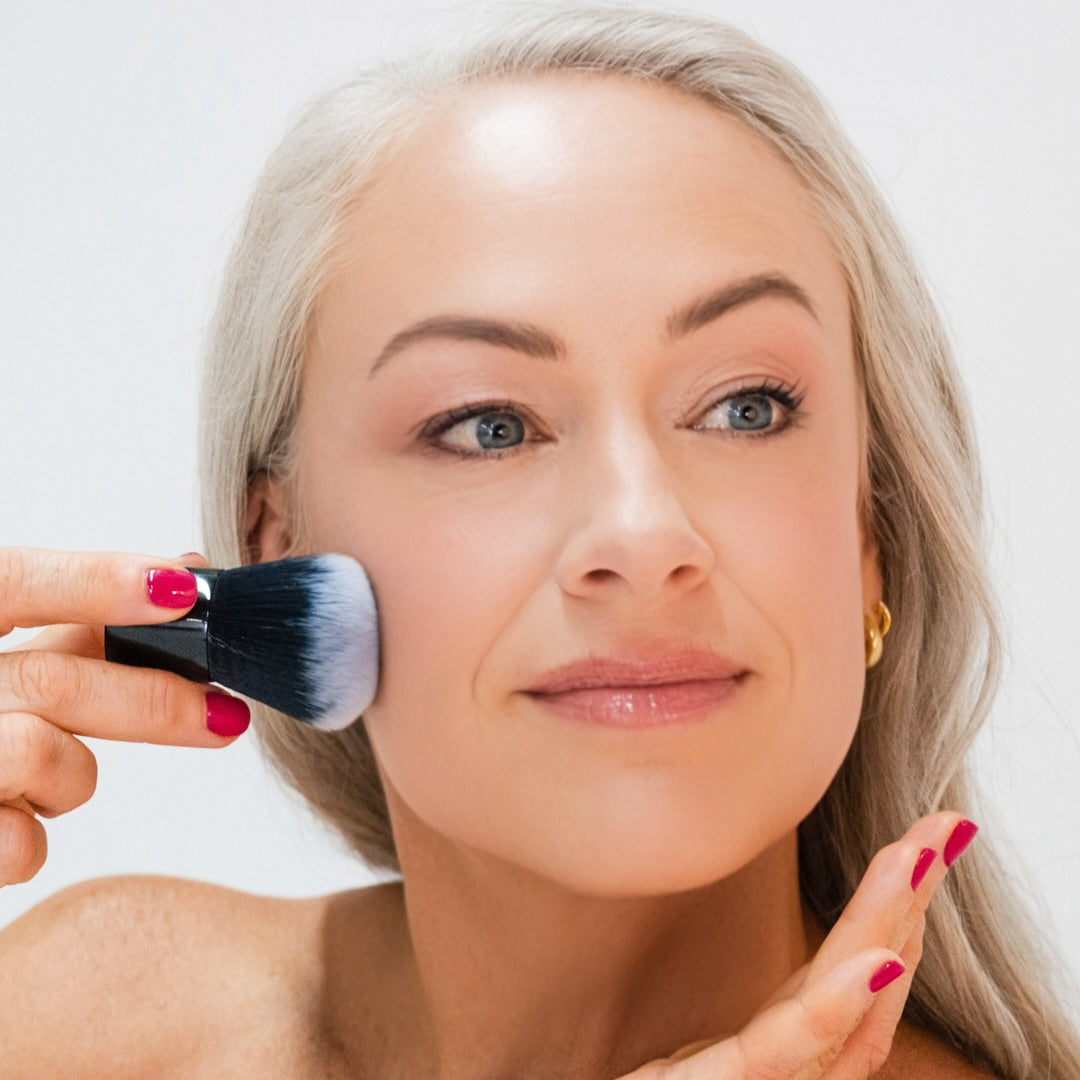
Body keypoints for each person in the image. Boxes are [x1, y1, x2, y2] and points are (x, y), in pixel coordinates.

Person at [0, 4, 1077, 1077]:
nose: (644, 532)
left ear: (869, 535)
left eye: (746, 407)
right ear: (275, 542)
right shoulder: (94, 1023)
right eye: (490, 427)